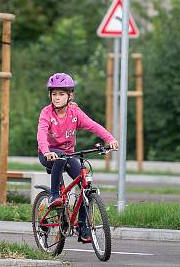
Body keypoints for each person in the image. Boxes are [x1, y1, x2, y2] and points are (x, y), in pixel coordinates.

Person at [37, 72, 118, 244]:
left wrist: (110, 139)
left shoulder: (74, 112)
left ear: (70, 95)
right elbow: (41, 135)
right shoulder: (47, 113)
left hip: (68, 155)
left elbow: (93, 126)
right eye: (54, 94)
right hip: (48, 155)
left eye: (61, 94)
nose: (57, 98)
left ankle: (83, 227)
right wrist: (46, 151)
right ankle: (53, 195)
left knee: (84, 181)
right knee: (59, 157)